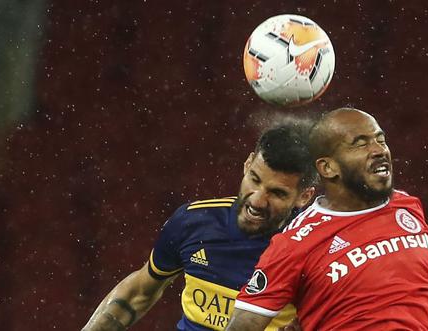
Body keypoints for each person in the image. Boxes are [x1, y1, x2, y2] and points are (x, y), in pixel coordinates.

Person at [226, 108, 428, 331]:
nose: (378, 150)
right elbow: (242, 326)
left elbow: (423, 302)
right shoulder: (295, 243)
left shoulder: (407, 207)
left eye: (380, 140)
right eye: (360, 143)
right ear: (328, 167)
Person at [82, 122, 316, 331]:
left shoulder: (314, 251)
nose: (256, 200)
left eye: (276, 193)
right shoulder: (194, 222)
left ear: (304, 197)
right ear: (246, 164)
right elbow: (138, 293)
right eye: (254, 179)